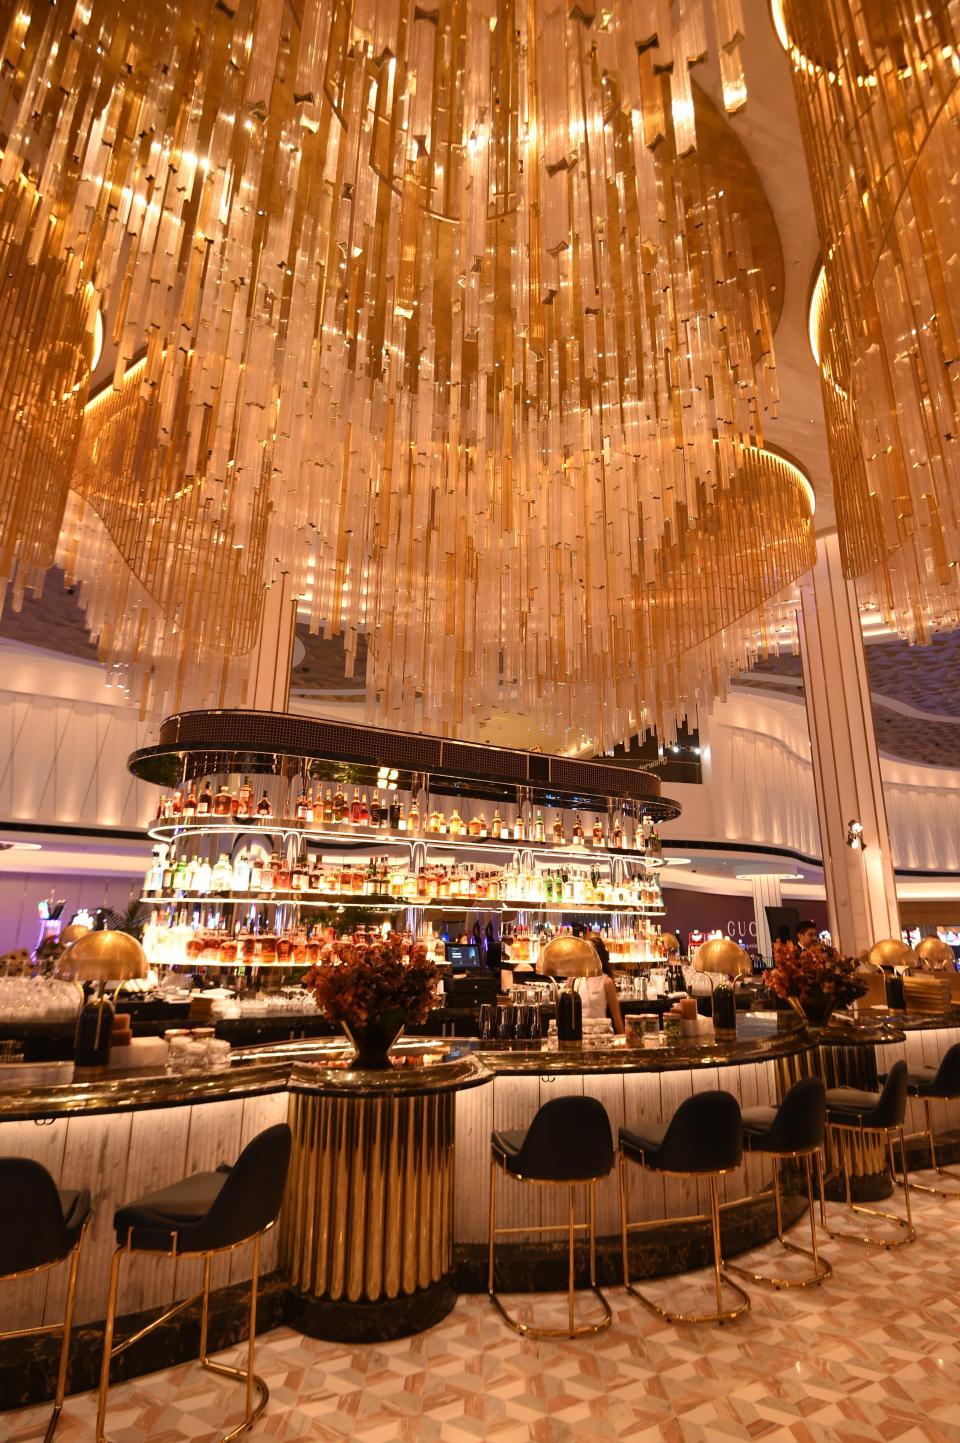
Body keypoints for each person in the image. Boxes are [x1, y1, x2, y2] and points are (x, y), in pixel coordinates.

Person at [572, 933, 624, 1033]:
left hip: (601, 1036)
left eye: (589, 951)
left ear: (597, 955)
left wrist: (624, 1042)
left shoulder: (606, 981)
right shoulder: (576, 980)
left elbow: (616, 1017)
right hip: (580, 1037)